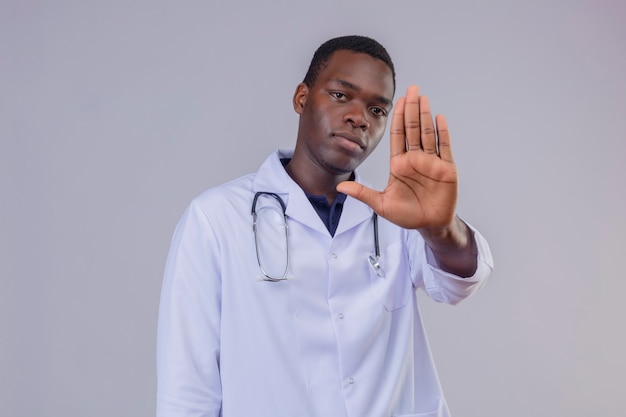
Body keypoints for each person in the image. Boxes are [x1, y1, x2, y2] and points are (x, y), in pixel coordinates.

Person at [157, 35, 494, 417]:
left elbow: (459, 282)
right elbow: (187, 391)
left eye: (377, 110)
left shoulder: (399, 216)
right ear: (302, 98)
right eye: (340, 95)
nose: (359, 117)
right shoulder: (216, 218)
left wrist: (440, 227)